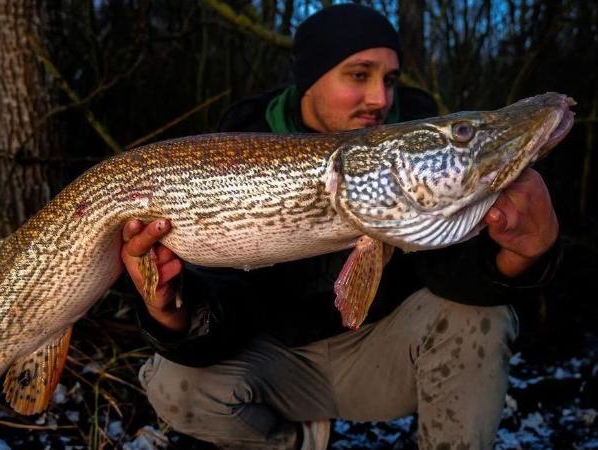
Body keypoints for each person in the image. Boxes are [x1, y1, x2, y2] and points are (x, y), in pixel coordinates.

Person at [121, 4, 561, 450]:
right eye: (358, 75)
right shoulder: (234, 145)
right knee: (172, 381)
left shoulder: (405, 148)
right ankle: (296, 444)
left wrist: (524, 254)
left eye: (389, 80)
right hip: (275, 364)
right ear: (312, 77)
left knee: (482, 318)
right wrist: (169, 310)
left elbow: (452, 280)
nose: (380, 99)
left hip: (378, 360)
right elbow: (226, 303)